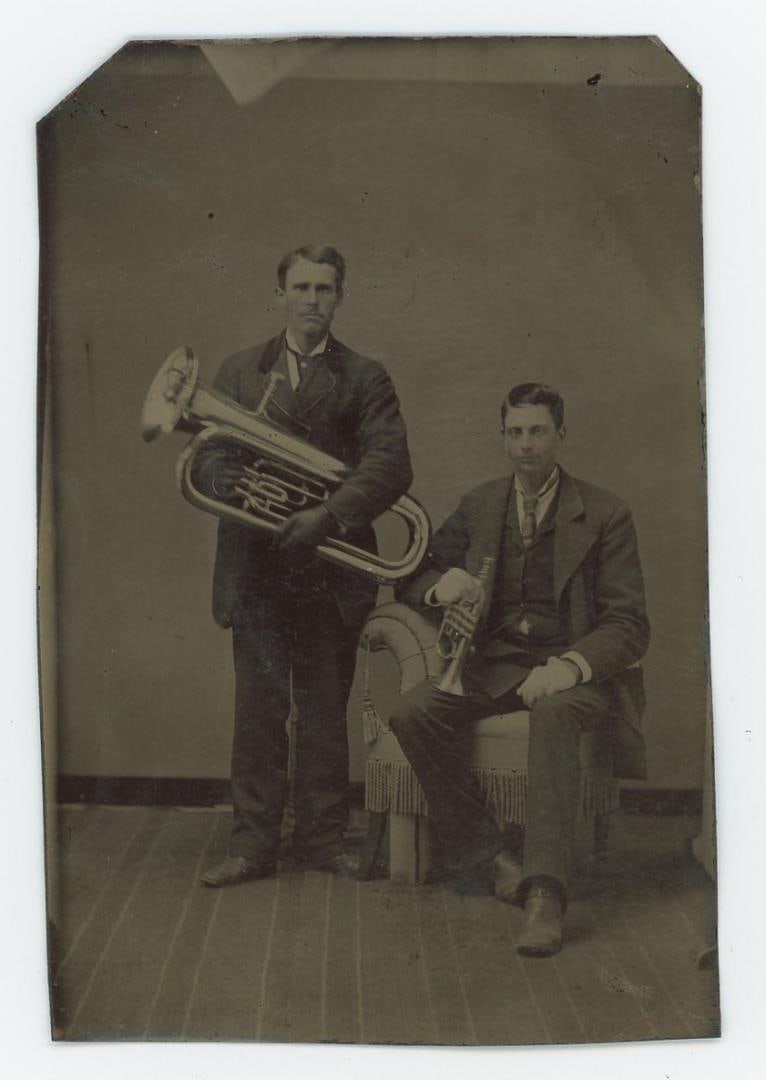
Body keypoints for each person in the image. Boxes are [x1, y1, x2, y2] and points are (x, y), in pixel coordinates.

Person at [390, 382, 649, 956]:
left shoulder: (606, 513)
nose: (525, 446)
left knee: (554, 716)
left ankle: (545, 895)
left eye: (537, 432)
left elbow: (630, 624)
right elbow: (411, 571)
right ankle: (492, 856)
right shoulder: (482, 503)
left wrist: (568, 667)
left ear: (561, 434)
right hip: (493, 668)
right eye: (514, 433)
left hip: (573, 680)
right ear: (503, 435)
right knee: (412, 711)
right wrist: (441, 587)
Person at [197, 245, 413, 887]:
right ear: (281, 293)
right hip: (259, 568)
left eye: (324, 287)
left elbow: (390, 462)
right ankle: (252, 844)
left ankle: (323, 840)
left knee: (323, 710)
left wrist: (329, 515)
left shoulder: (365, 376)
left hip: (330, 568)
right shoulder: (241, 371)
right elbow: (206, 459)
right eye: (301, 286)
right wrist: (235, 485)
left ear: (340, 295)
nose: (312, 298)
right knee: (258, 711)